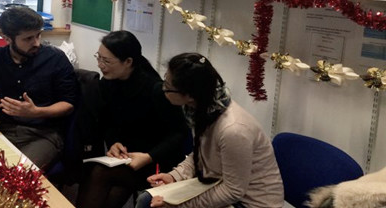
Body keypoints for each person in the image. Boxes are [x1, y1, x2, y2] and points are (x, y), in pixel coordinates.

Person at [135, 52, 283, 208]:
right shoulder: (203, 109)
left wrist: (179, 206)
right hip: (218, 184)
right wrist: (174, 176)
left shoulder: (233, 130)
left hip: (250, 203)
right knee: (146, 199)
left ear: (190, 95)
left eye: (168, 87)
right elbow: (200, 155)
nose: (163, 89)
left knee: (152, 204)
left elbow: (233, 192)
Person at [76, 30, 189, 208]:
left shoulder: (155, 89)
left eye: (106, 61)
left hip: (156, 162)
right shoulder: (107, 83)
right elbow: (107, 122)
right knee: (105, 183)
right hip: (127, 158)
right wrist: (114, 143)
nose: (100, 65)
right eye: (99, 57)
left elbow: (179, 133)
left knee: (100, 174)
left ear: (128, 62)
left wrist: (149, 156)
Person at [0, 6, 78, 170]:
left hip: (42, 135)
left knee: (16, 175)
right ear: (7, 39)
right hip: (3, 130)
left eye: (38, 35)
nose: (36, 43)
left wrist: (36, 112)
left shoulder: (55, 58)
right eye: (28, 39)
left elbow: (68, 104)